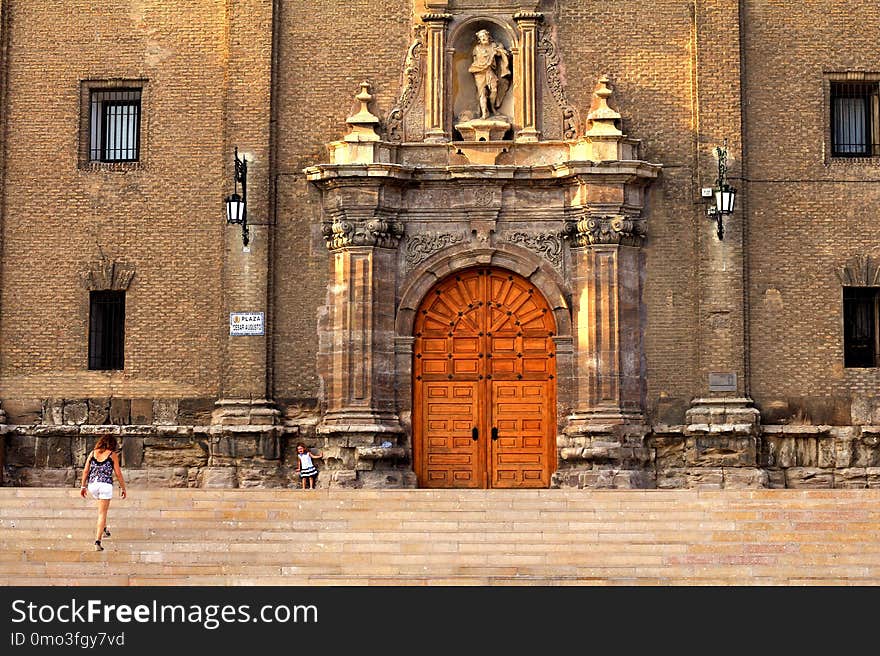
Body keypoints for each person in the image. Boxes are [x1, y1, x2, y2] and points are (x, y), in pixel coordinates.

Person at [79, 436, 127, 551]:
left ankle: (104, 528)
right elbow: (118, 473)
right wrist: (123, 488)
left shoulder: (92, 453)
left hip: (93, 485)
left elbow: (86, 470)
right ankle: (97, 541)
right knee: (102, 513)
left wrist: (83, 486)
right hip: (105, 485)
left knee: (101, 508)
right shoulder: (112, 455)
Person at [468, 29, 510, 119]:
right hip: (479, 72)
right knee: (482, 93)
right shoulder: (477, 48)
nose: (483, 38)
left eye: (484, 36)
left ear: (488, 36)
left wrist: (501, 51)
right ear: (479, 39)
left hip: (490, 72)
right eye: (481, 37)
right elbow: (475, 61)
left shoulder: (493, 46)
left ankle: (492, 107)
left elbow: (502, 53)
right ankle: (484, 113)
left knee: (494, 91)